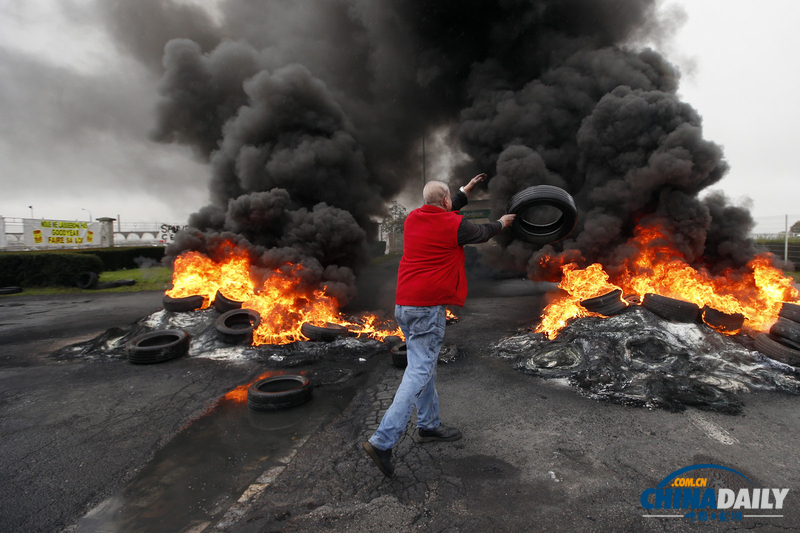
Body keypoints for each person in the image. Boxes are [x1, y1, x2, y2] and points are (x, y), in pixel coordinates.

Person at [363, 174, 516, 478]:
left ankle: (428, 425)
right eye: (450, 201)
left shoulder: (412, 219)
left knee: (423, 366)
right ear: (446, 202)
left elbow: (442, 209)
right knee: (419, 371)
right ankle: (382, 441)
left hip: (405, 306)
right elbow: (482, 232)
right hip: (427, 308)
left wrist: (463, 192)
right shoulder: (453, 224)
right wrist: (502, 222)